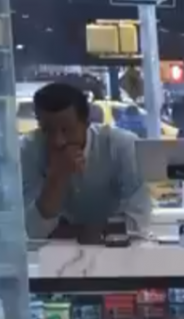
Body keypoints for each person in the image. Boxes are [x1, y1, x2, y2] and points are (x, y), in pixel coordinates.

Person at [19, 82, 151, 240]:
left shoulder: (123, 147)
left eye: (66, 129)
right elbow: (34, 231)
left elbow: (137, 223)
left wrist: (67, 232)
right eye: (47, 130)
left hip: (117, 252)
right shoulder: (29, 150)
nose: (58, 141)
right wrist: (57, 178)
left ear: (87, 122)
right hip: (54, 256)